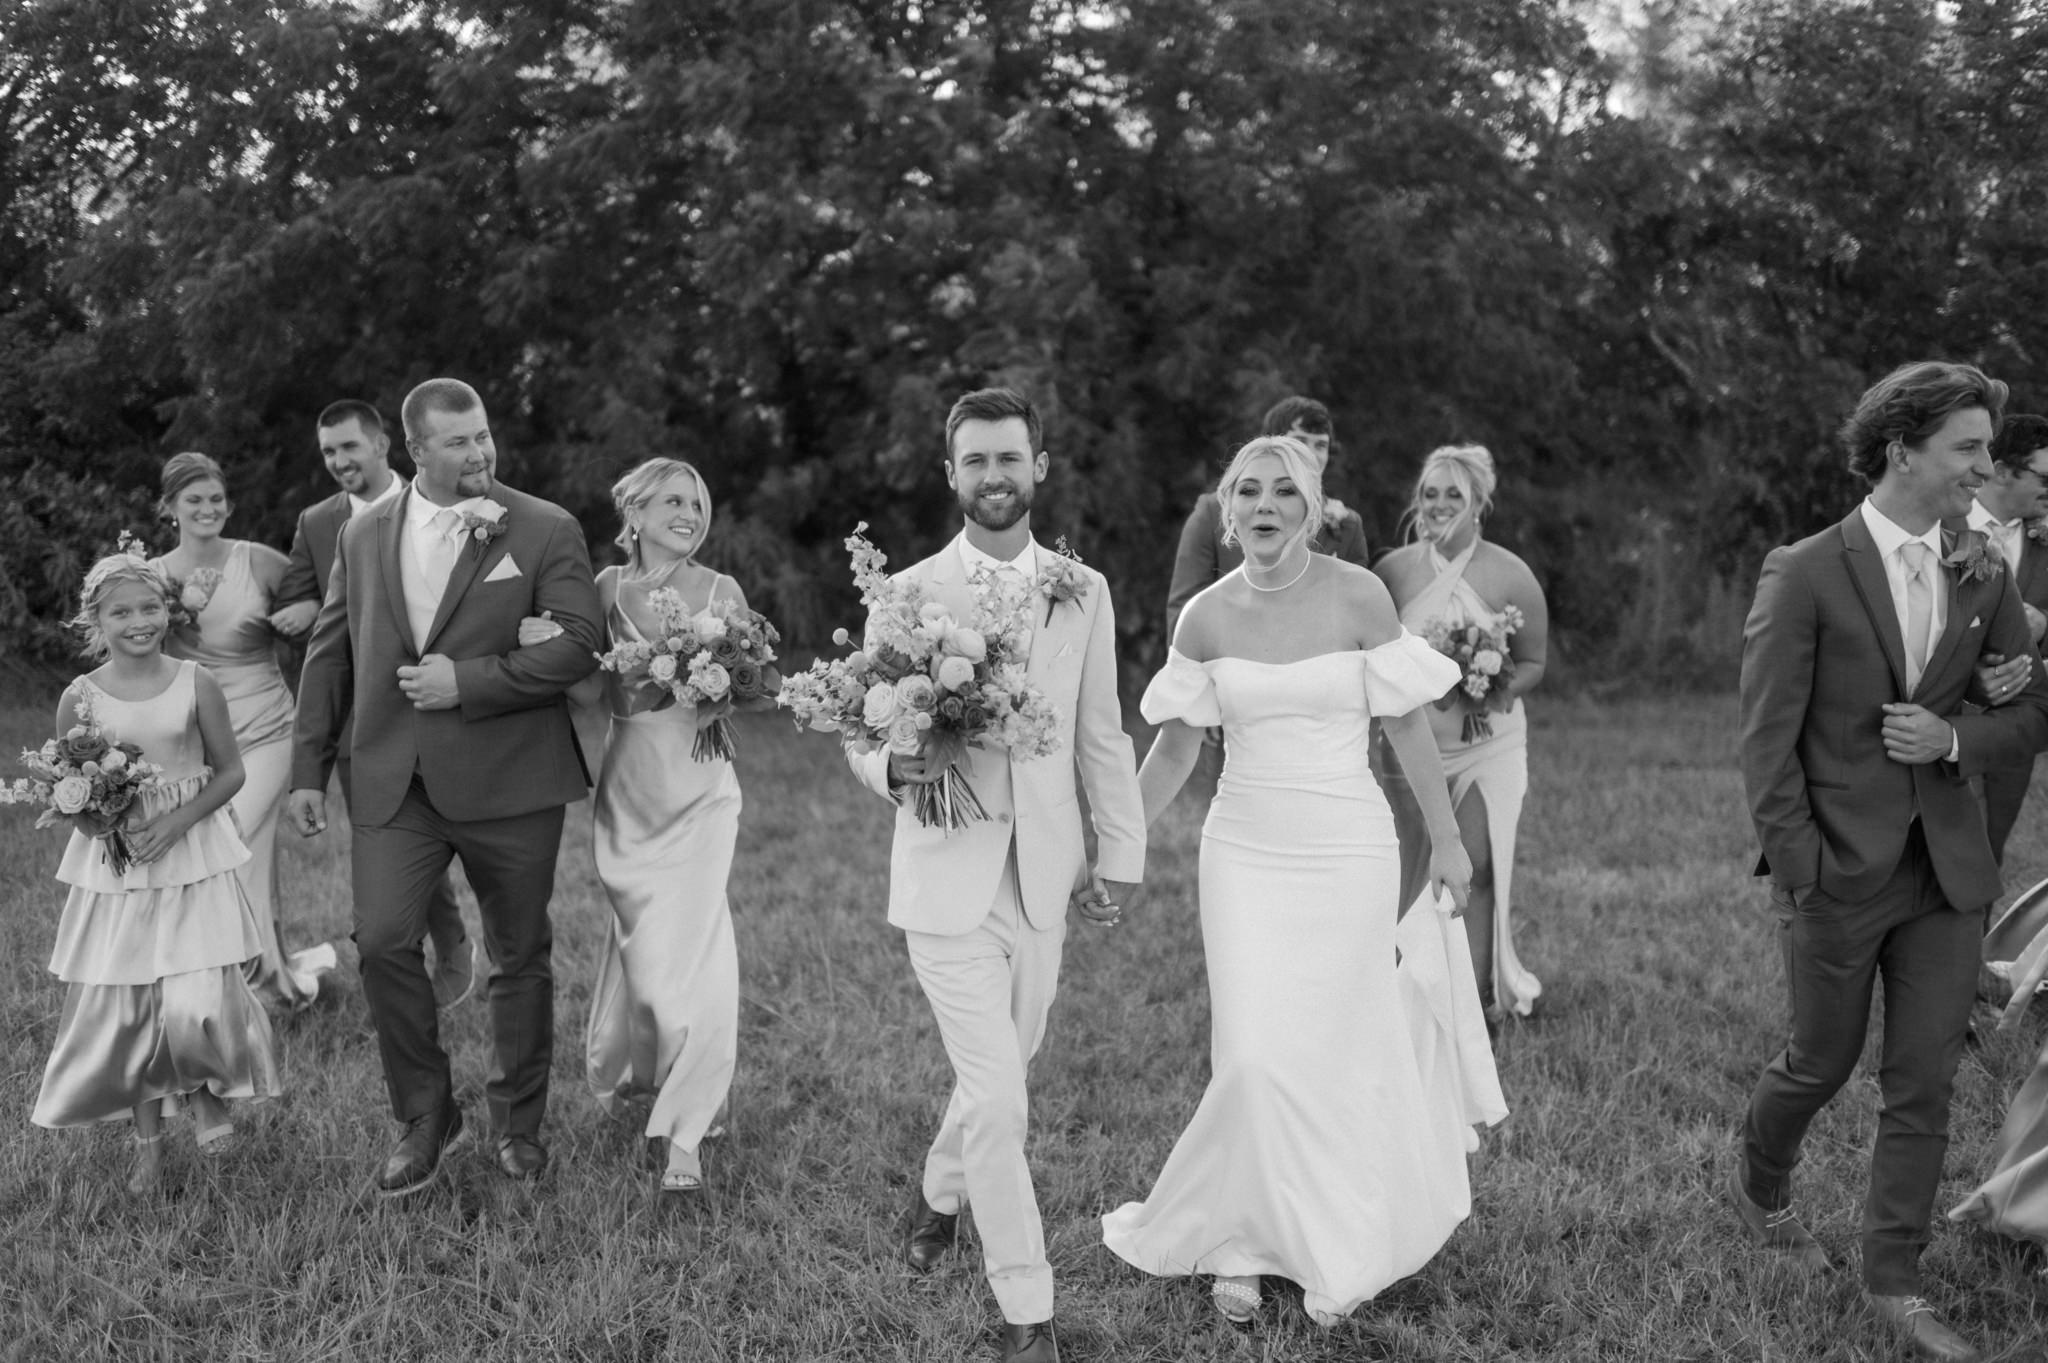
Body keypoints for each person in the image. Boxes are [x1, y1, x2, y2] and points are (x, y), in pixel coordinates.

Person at [1102, 435, 1495, 1327]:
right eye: (1249, 490)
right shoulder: (1205, 617)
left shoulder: (1359, 596)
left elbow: (1406, 726)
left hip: (1348, 849)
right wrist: (1118, 843)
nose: (1266, 505)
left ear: (1313, 508)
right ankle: (1241, 1242)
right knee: (1250, 1054)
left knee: (1336, 1048)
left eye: (1285, 491)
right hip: (1244, 852)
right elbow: (1176, 748)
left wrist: (1446, 841)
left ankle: (1332, 1237)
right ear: (1227, 508)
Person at [1732, 360, 2048, 1363]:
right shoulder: (1804, 571)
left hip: (1947, 871)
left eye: (1987, 449)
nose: (1984, 468)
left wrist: (1953, 736)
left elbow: (2029, 712)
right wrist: (1802, 866)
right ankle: (1762, 1181)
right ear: (1901, 449)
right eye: (1967, 448)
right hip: (1836, 868)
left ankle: (1893, 1281)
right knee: (1819, 1061)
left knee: (1922, 1083)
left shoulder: (1984, 571)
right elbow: (1765, 741)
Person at [845, 387, 1145, 1363]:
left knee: (999, 1078)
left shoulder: (1082, 588)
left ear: (1038, 466)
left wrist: (1119, 851)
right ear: (950, 473)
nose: (993, 475)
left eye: (1009, 457)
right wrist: (893, 768)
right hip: (945, 885)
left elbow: (1101, 731)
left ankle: (938, 1195)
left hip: (1044, 877)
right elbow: (859, 724)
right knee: (1002, 1098)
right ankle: (1027, 1310)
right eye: (975, 460)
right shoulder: (906, 590)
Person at [286, 377, 602, 1196]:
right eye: (458, 441)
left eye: (483, 434)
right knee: (383, 940)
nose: (478, 451)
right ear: (415, 449)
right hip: (396, 779)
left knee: (519, 953)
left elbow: (578, 644)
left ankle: (518, 1123)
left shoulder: (544, 526)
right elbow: (331, 652)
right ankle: (427, 1113)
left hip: (512, 779)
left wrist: (469, 680)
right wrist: (306, 770)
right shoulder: (362, 533)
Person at [523, 458, 746, 1198]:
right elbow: (590, 693)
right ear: (637, 513)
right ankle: (639, 1064)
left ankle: (688, 1129)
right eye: (673, 500)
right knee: (646, 954)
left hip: (702, 789)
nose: (688, 513)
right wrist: (548, 647)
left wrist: (717, 675)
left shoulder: (722, 591)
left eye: (698, 502)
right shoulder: (606, 588)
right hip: (631, 793)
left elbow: (750, 687)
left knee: (701, 954)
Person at [30, 553, 280, 1194]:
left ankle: (201, 1089)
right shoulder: (80, 696)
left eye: (149, 607)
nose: (138, 621)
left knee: (196, 996)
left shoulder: (197, 681)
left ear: (168, 610)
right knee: (132, 1008)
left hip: (191, 853)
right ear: (97, 620)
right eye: (121, 612)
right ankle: (149, 1152)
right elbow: (71, 791)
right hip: (123, 867)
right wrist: (102, 822)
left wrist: (176, 822)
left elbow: (231, 770)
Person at [271, 401, 476, 1009]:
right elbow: (308, 620)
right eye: (328, 452)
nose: (339, 461)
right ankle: (402, 970)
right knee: (386, 846)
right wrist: (311, 606)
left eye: (349, 447)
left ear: (384, 444)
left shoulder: (443, 505)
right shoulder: (318, 523)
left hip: (447, 708)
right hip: (363, 725)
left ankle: (458, 944)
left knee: (447, 841)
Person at [151, 452, 336, 1010]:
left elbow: (334, 603)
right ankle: (257, 982)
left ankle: (241, 987)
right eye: (194, 500)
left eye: (216, 499)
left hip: (267, 727)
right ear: (170, 508)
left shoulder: (260, 562)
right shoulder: (150, 576)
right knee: (245, 856)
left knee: (228, 839)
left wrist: (308, 609)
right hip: (194, 736)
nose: (207, 509)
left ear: (229, 505)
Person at [1374, 444, 1548, 1024]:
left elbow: (1534, 662)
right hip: (1410, 750)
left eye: (1454, 494)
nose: (1440, 504)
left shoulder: (1511, 573)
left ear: (1478, 503)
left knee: (1476, 862)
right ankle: (1405, 995)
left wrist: (1487, 687)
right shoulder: (1393, 572)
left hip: (1489, 747)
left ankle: (1475, 999)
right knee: (1410, 870)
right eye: (1430, 493)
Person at [1164, 397, 1370, 806]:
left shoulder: (1345, 526)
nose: (1312, 454)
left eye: (1321, 445)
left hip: (1320, 704)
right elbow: (1185, 604)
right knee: (1235, 803)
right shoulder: (1214, 512)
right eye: (1300, 440)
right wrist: (1200, 691)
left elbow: (1360, 619)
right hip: (1237, 691)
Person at [1965, 413, 2048, 869]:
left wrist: (2044, 625)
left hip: (2015, 733)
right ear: (2001, 471)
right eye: (2044, 478)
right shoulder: (1945, 523)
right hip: (1945, 723)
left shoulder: (2043, 538)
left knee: (1986, 860)